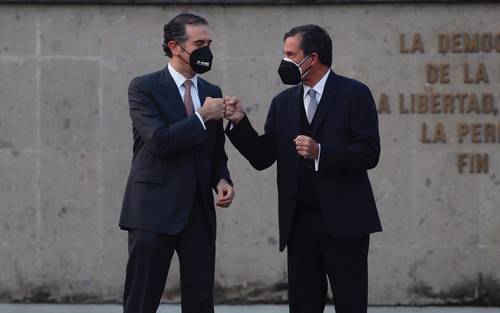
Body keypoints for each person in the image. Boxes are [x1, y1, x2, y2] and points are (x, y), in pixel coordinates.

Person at [224, 24, 382, 313]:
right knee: (303, 305)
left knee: (351, 303)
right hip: (299, 224)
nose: (284, 61)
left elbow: (369, 153)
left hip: (345, 221)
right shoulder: (282, 103)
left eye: (290, 54)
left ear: (312, 58)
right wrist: (239, 122)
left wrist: (321, 151)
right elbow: (262, 157)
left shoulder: (354, 93)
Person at [119, 13, 234, 313]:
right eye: (198, 43)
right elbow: (159, 141)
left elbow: (215, 151)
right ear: (174, 46)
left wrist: (221, 179)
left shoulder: (211, 92)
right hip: (152, 210)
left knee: (200, 301)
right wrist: (201, 117)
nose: (206, 50)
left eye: (209, 43)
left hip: (198, 211)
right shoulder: (143, 88)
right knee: (141, 300)